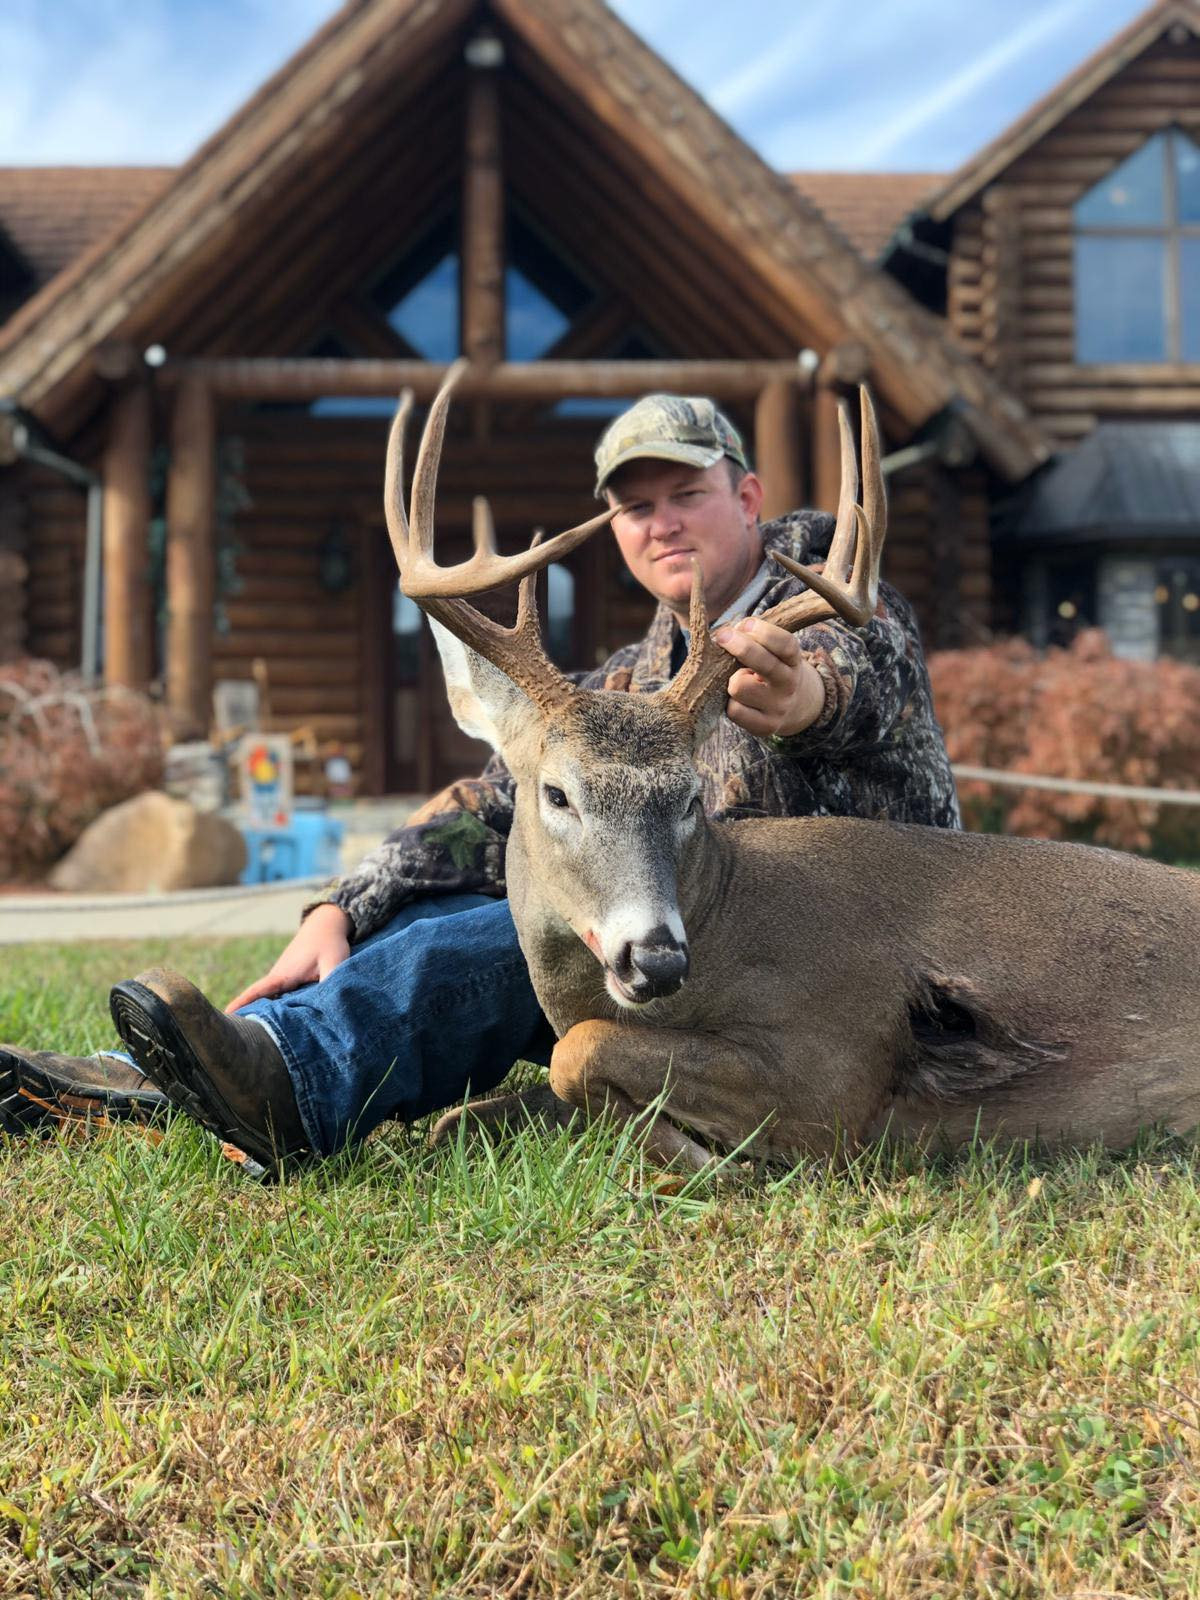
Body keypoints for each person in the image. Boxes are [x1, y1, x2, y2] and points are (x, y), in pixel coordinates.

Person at [1, 394, 960, 1172]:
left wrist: (802, 701)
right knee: (437, 908)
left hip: (836, 957)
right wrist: (341, 906)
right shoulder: (634, 682)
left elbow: (856, 679)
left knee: (516, 929)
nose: (662, 522)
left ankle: (290, 1088)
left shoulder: (836, 610)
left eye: (688, 492)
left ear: (748, 497)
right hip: (683, 961)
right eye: (636, 505)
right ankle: (147, 1080)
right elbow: (490, 800)